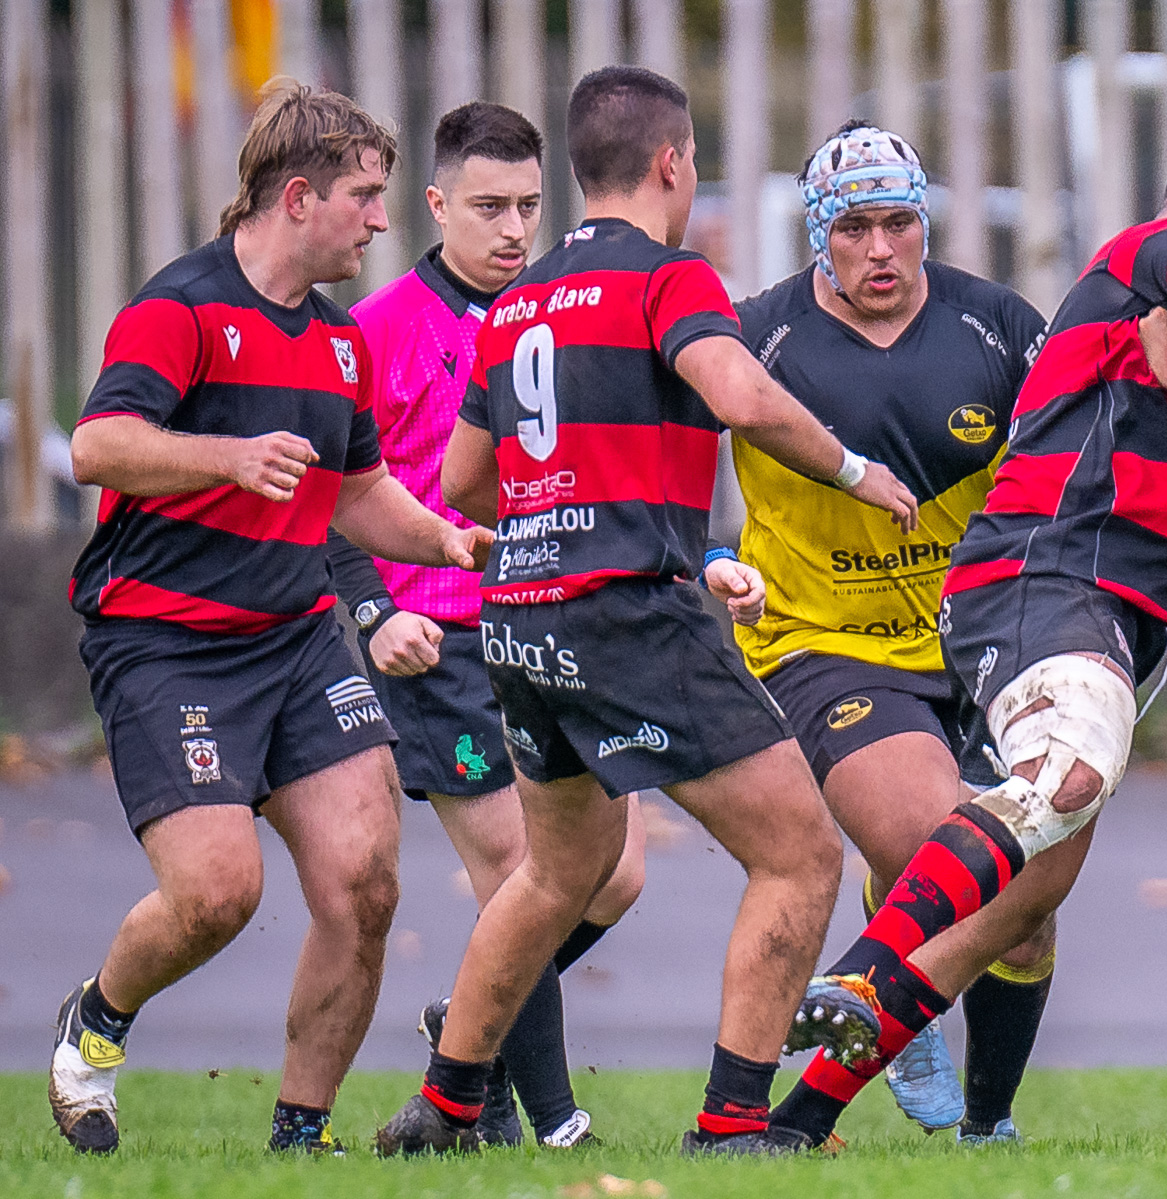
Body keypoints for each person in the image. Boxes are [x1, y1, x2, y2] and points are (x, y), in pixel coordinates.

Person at [761, 142, 1167, 1151]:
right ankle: (863, 967)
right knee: (1068, 770)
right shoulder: (1162, 249)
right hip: (1047, 575)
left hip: (1102, 612)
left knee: (1021, 898)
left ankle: (802, 1118)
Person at [372, 65, 918, 1157]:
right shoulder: (671, 279)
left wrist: (559, 509)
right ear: (673, 163)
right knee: (800, 851)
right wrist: (857, 469)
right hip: (626, 615)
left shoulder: (514, 303)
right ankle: (732, 1121)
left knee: (555, 873)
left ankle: (443, 1106)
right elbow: (739, 393)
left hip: (517, 616)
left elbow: (465, 476)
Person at [52, 80, 491, 1155]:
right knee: (216, 893)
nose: (381, 221)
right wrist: (228, 458)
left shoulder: (340, 342)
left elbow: (356, 491)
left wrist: (445, 539)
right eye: (365, 196)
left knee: (366, 880)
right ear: (298, 198)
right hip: (164, 641)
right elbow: (97, 445)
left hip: (294, 639)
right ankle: (96, 1020)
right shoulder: (182, 309)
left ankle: (301, 1137)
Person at [326, 101, 644, 1149]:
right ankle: (555, 1125)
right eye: (489, 207)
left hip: (545, 625)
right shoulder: (375, 331)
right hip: (435, 638)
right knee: (521, 871)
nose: (513, 229)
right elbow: (328, 499)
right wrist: (374, 612)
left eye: (528, 206)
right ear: (436, 204)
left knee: (615, 872)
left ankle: (468, 1024)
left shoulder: (555, 313)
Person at [727, 120, 1052, 1141]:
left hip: (977, 643)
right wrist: (703, 560)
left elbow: (1078, 456)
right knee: (943, 850)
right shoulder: (754, 337)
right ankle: (897, 981)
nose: (881, 249)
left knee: (1026, 909)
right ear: (817, 234)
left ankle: (987, 1127)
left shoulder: (998, 326)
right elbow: (647, 454)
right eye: (854, 228)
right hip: (828, 644)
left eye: (899, 224)